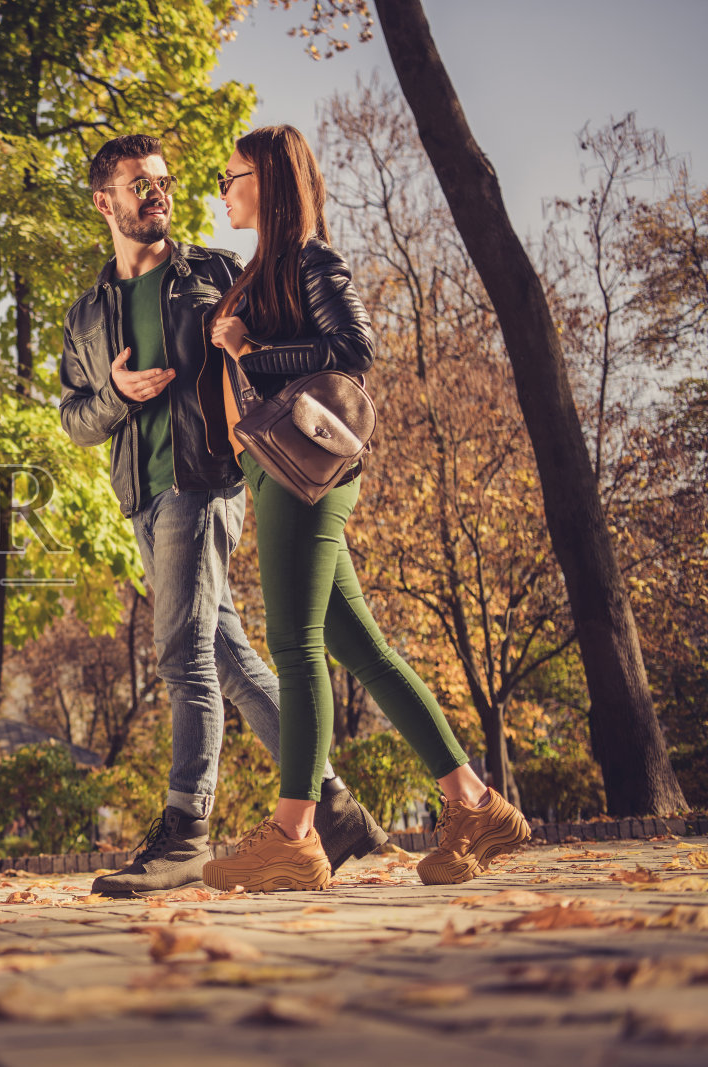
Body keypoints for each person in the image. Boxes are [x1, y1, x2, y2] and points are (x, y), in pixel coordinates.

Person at [198, 125, 531, 892]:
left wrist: (249, 351)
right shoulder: (264, 268)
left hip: (302, 471)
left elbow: (354, 349)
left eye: (231, 176)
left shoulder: (311, 259)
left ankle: (294, 836)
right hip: (273, 470)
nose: (223, 191)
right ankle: (474, 803)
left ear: (268, 180)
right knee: (365, 650)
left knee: (295, 646)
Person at [59, 134, 388, 897]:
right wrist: (116, 395)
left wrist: (254, 363)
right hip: (139, 494)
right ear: (104, 202)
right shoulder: (86, 313)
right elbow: (74, 418)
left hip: (202, 481)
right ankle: (334, 807)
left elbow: (284, 350)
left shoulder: (215, 273)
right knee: (229, 658)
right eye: (140, 184)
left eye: (164, 182)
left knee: (182, 656)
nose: (158, 194)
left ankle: (186, 831)